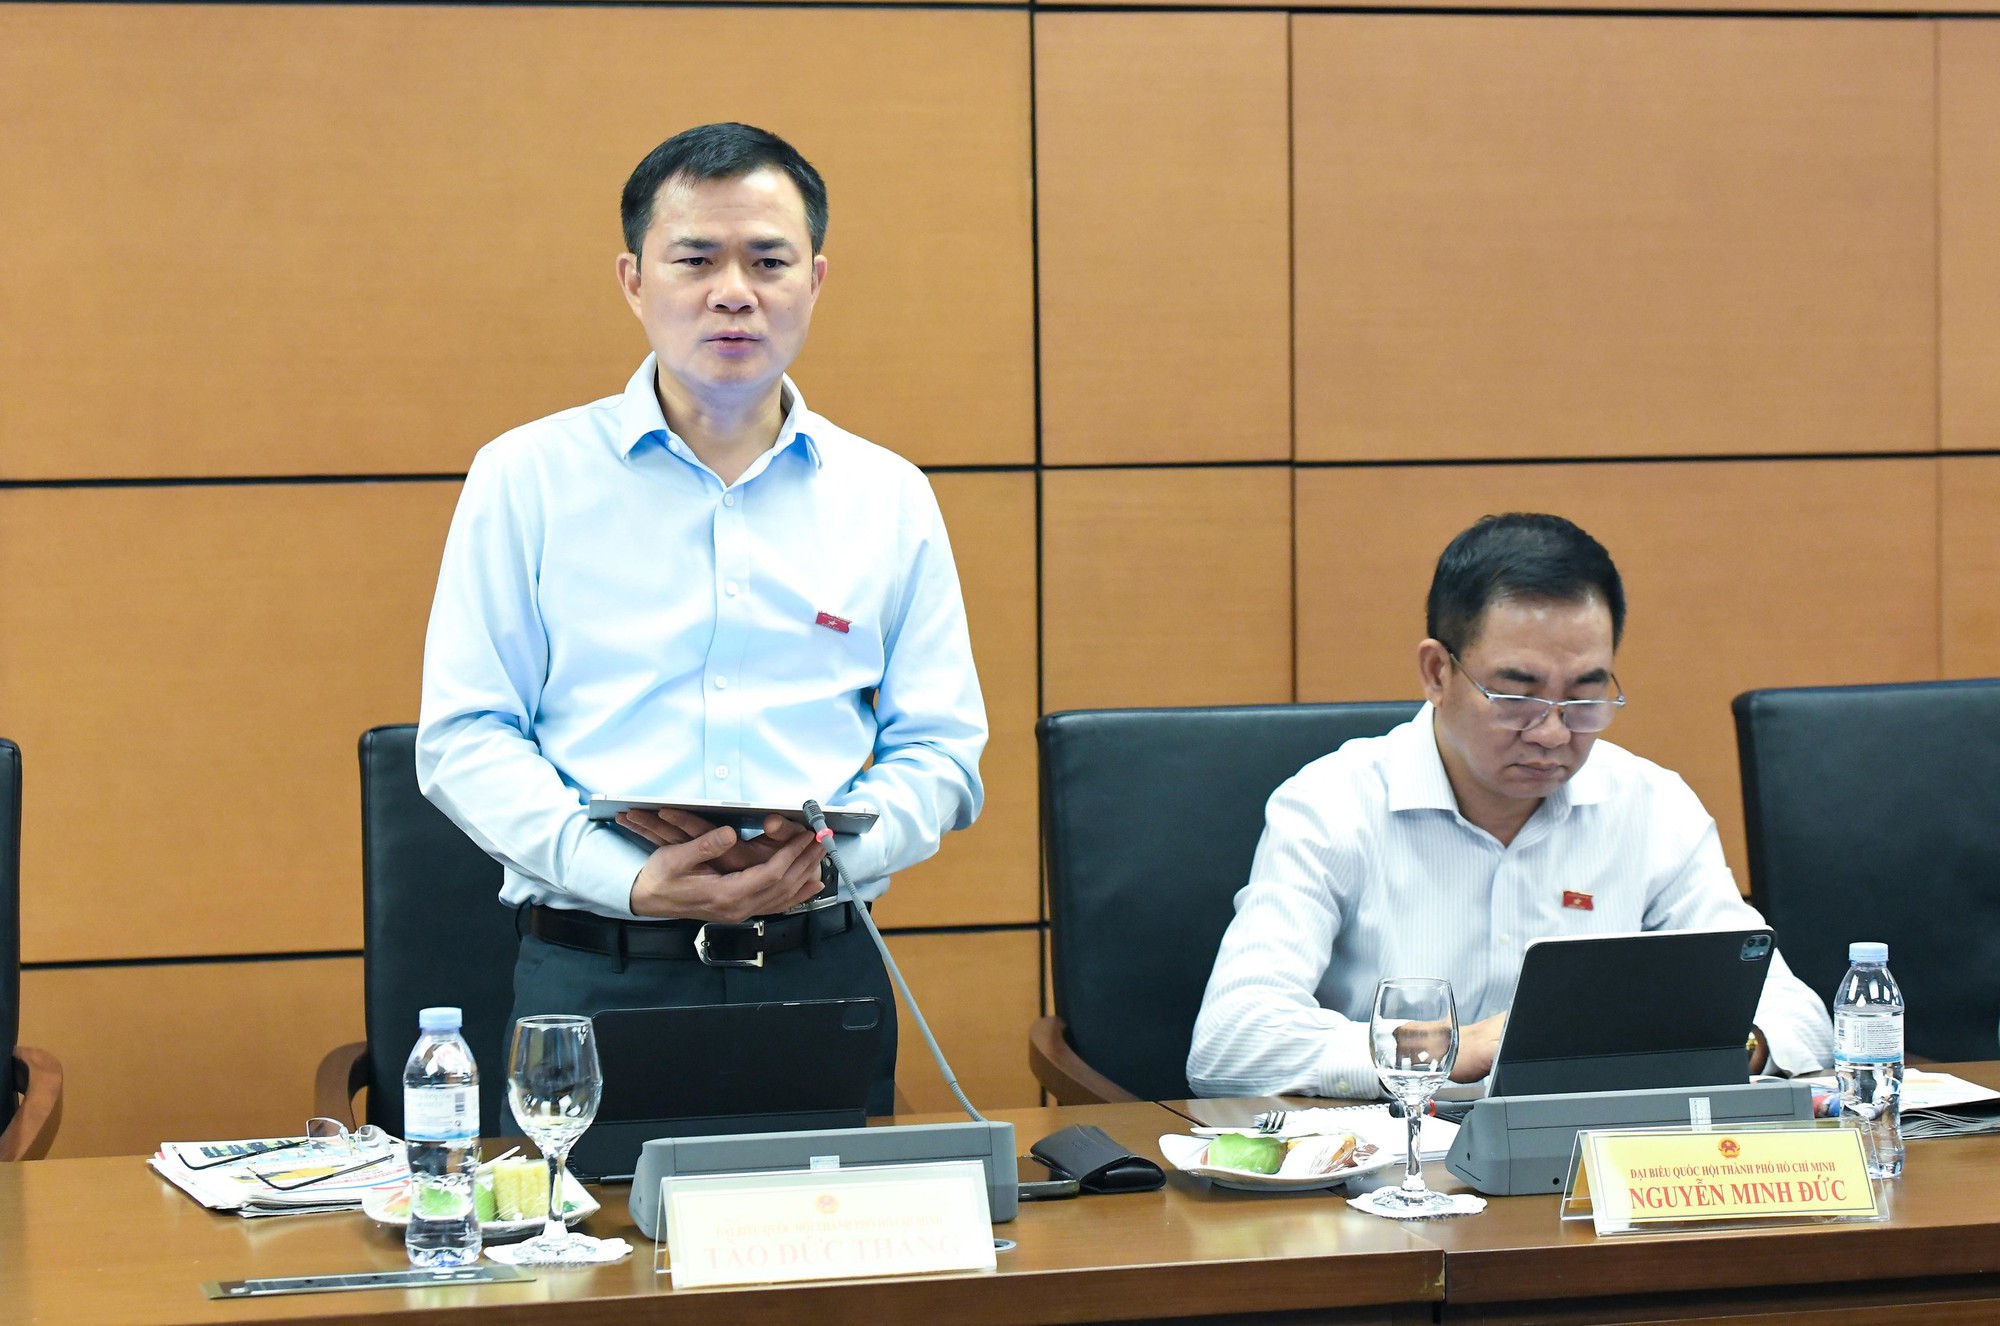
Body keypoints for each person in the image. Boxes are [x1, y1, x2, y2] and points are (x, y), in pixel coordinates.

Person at [417, 123, 987, 1114]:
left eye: (767, 261)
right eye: (696, 260)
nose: (733, 291)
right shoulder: (527, 478)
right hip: (596, 973)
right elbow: (465, 736)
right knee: (586, 1221)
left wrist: (817, 866)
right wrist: (630, 881)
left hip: (820, 969)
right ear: (634, 281)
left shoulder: (887, 495)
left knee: (831, 1220)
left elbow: (940, 750)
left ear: (814, 280)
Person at [1186, 513, 1832, 1099]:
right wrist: (1450, 1048)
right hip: (1391, 1165)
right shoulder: (1332, 806)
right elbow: (1232, 1042)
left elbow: (1795, 1017)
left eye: (1584, 696)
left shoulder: (1652, 806)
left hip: (1591, 1164)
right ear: (1437, 673)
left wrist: (1730, 1046)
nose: (1552, 733)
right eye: (1517, 696)